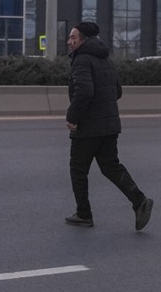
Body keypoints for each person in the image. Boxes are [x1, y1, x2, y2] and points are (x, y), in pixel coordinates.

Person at [64, 21, 153, 231]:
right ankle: (139, 201)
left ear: (83, 40)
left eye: (73, 37)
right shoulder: (105, 59)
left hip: (88, 126)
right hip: (109, 124)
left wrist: (72, 117)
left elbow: (84, 91)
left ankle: (83, 214)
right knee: (110, 166)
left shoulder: (82, 59)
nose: (69, 42)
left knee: (77, 169)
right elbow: (118, 91)